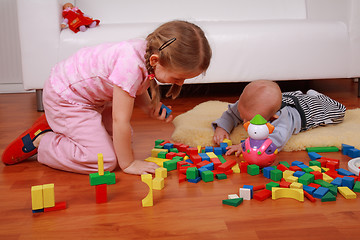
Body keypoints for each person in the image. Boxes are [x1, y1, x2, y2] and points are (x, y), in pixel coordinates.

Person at [2, 20, 212, 175]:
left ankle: (61, 124)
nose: (180, 84)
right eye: (178, 78)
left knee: (123, 139)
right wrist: (128, 164)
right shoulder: (130, 65)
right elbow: (120, 119)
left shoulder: (148, 52)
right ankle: (45, 141)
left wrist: (149, 107)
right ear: (156, 60)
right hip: (65, 99)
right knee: (104, 161)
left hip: (88, 100)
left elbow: (136, 88)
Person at [212, 80, 346, 156]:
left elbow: (276, 140)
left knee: (339, 112)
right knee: (276, 98)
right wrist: (222, 127)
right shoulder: (245, 105)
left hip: (309, 111)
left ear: (272, 117)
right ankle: (311, 95)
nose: (244, 122)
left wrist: (244, 146)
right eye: (242, 115)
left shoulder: (282, 121)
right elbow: (231, 113)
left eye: (250, 120)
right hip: (289, 97)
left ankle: (318, 96)